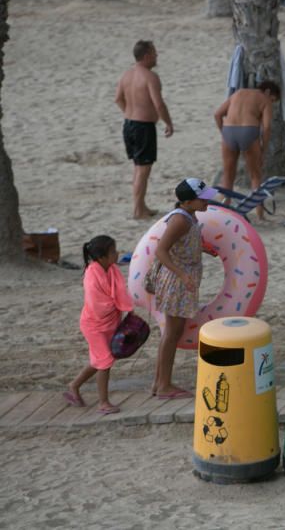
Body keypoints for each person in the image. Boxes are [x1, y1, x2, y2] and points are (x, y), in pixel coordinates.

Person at [149, 178, 219, 399]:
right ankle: (163, 386)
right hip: (176, 282)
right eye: (203, 198)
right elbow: (161, 250)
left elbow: (182, 244)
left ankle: (159, 383)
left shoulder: (189, 216)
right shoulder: (180, 220)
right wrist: (182, 274)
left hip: (182, 280)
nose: (208, 201)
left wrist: (203, 249)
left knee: (171, 333)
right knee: (171, 333)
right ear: (188, 202)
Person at [64, 235, 134, 415]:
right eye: (112, 252)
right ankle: (103, 402)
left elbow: (120, 291)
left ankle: (74, 386)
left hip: (109, 323)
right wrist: (119, 305)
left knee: (99, 360)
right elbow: (98, 305)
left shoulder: (111, 269)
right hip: (94, 325)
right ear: (101, 257)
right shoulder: (92, 275)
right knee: (105, 361)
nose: (117, 254)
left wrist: (123, 306)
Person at [115, 40, 174, 220]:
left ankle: (141, 206)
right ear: (147, 56)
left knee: (138, 167)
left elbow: (118, 99)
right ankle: (138, 210)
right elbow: (159, 104)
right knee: (143, 170)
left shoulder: (127, 75)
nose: (157, 56)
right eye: (155, 53)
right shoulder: (150, 77)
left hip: (129, 125)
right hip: (143, 127)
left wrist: (130, 113)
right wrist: (168, 123)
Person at [213, 80, 281, 220]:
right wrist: (263, 148)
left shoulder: (238, 93)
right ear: (268, 92)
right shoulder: (264, 99)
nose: (272, 103)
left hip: (229, 131)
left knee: (228, 176)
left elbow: (217, 114)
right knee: (255, 175)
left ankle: (225, 213)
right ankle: (260, 214)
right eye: (273, 100)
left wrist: (223, 133)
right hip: (249, 131)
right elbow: (267, 127)